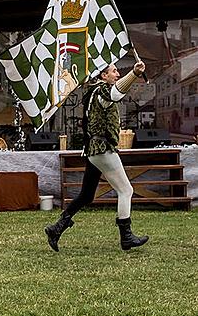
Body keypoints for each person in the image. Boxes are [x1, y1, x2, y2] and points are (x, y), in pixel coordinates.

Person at [45, 60, 149, 252]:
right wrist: (134, 73)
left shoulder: (93, 92)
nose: (117, 74)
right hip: (102, 149)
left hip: (94, 149)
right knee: (126, 191)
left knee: (86, 196)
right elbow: (116, 93)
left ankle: (56, 228)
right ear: (103, 76)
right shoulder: (102, 91)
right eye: (114, 71)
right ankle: (126, 237)